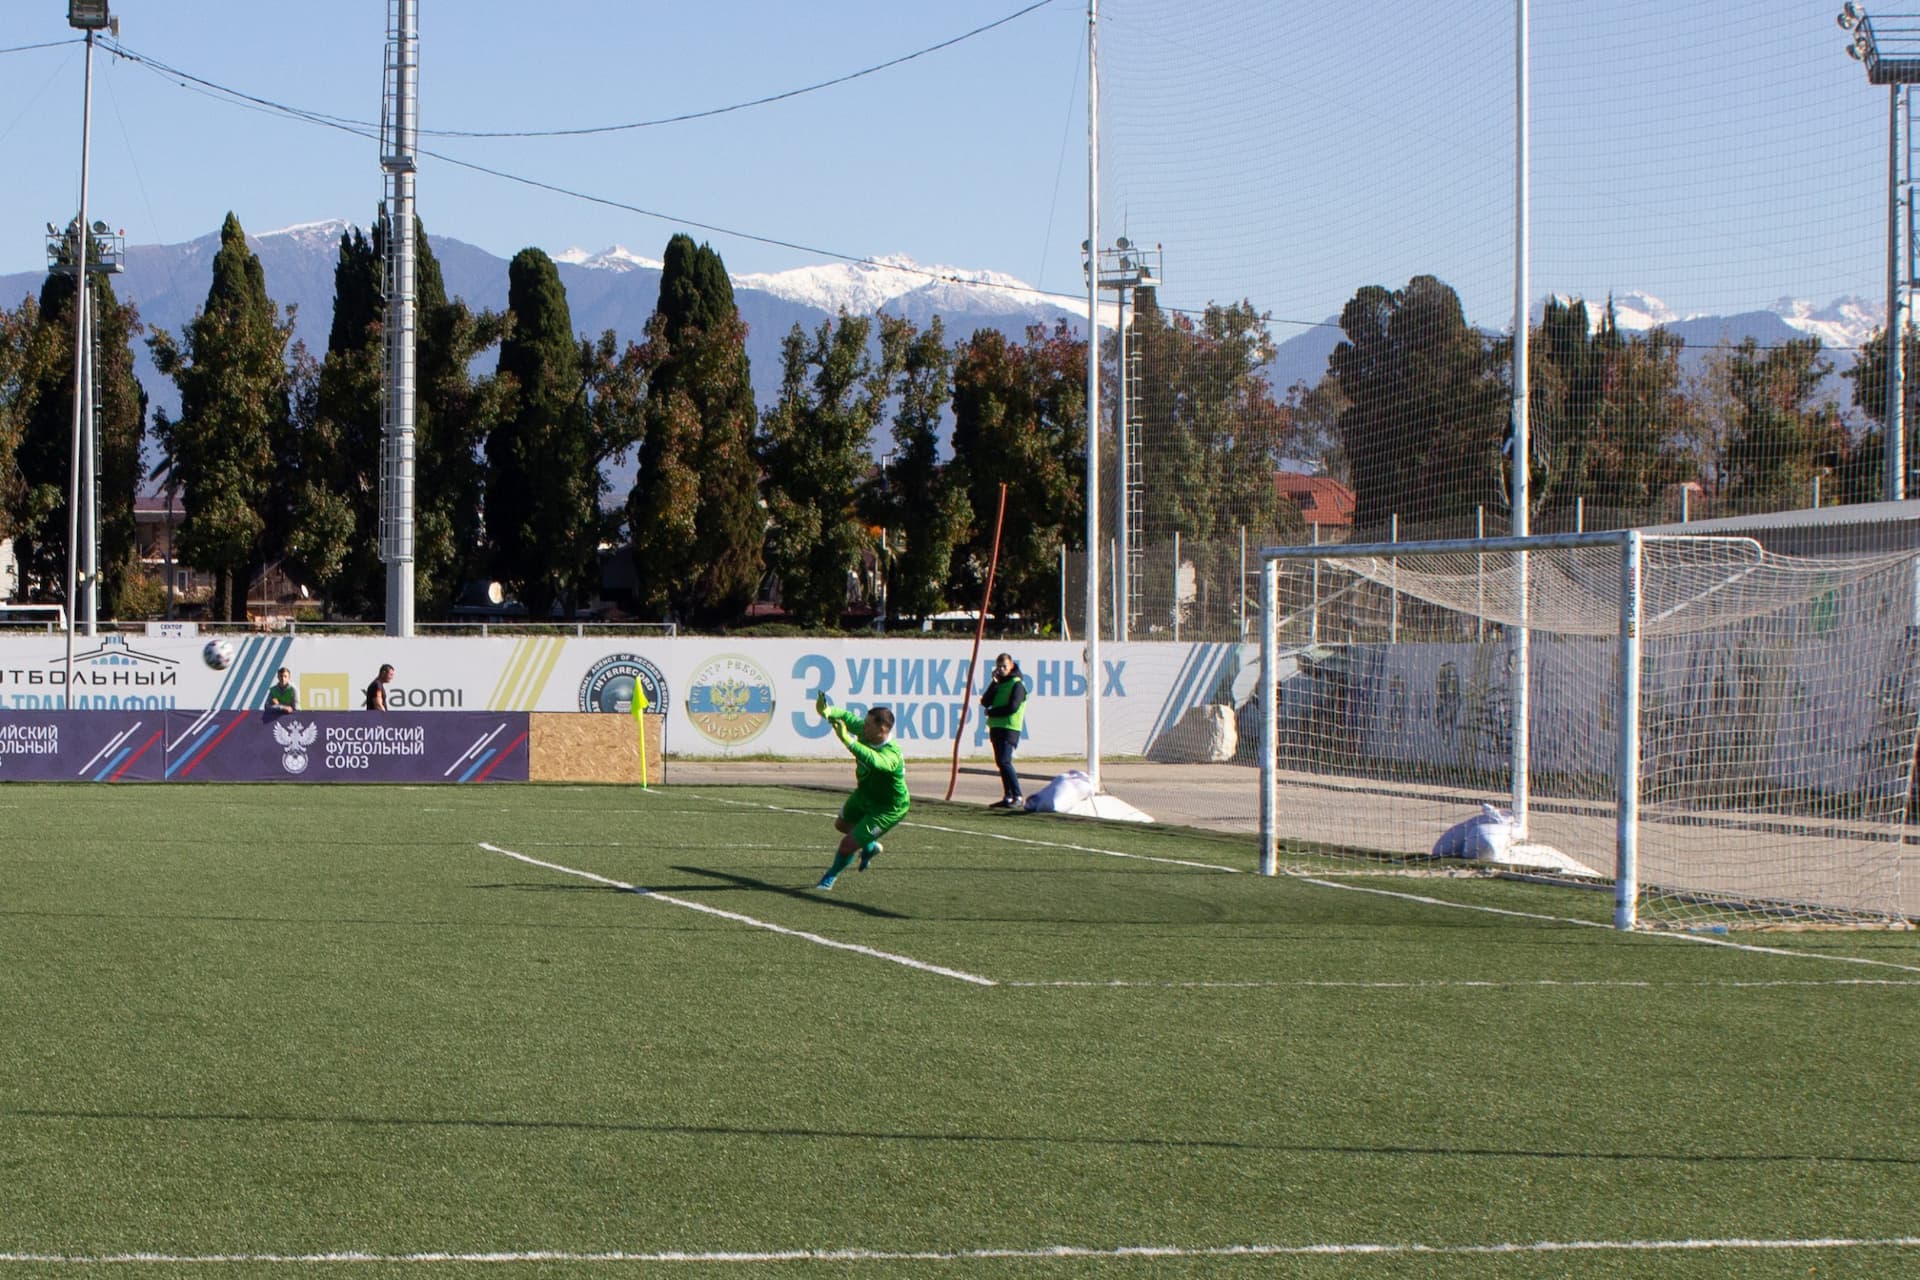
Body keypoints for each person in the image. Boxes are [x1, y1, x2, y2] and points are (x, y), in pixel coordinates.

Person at [813, 692, 909, 891]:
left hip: (888, 808)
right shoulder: (867, 732)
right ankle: (869, 845)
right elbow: (846, 717)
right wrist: (827, 711)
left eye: (868, 725)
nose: (863, 727)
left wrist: (848, 741)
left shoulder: (891, 754)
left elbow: (875, 761)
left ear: (882, 729)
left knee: (847, 845)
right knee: (841, 824)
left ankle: (830, 876)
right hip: (865, 794)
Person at [981, 651, 1028, 808]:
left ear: (1011, 666)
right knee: (1000, 762)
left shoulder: (1017, 684)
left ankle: (1017, 795)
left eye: (1004, 667)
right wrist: (993, 683)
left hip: (1009, 727)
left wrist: (992, 712)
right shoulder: (1000, 683)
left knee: (1005, 760)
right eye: (999, 667)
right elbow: (985, 701)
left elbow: (1012, 707)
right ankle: (1008, 796)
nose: (1001, 669)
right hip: (996, 726)